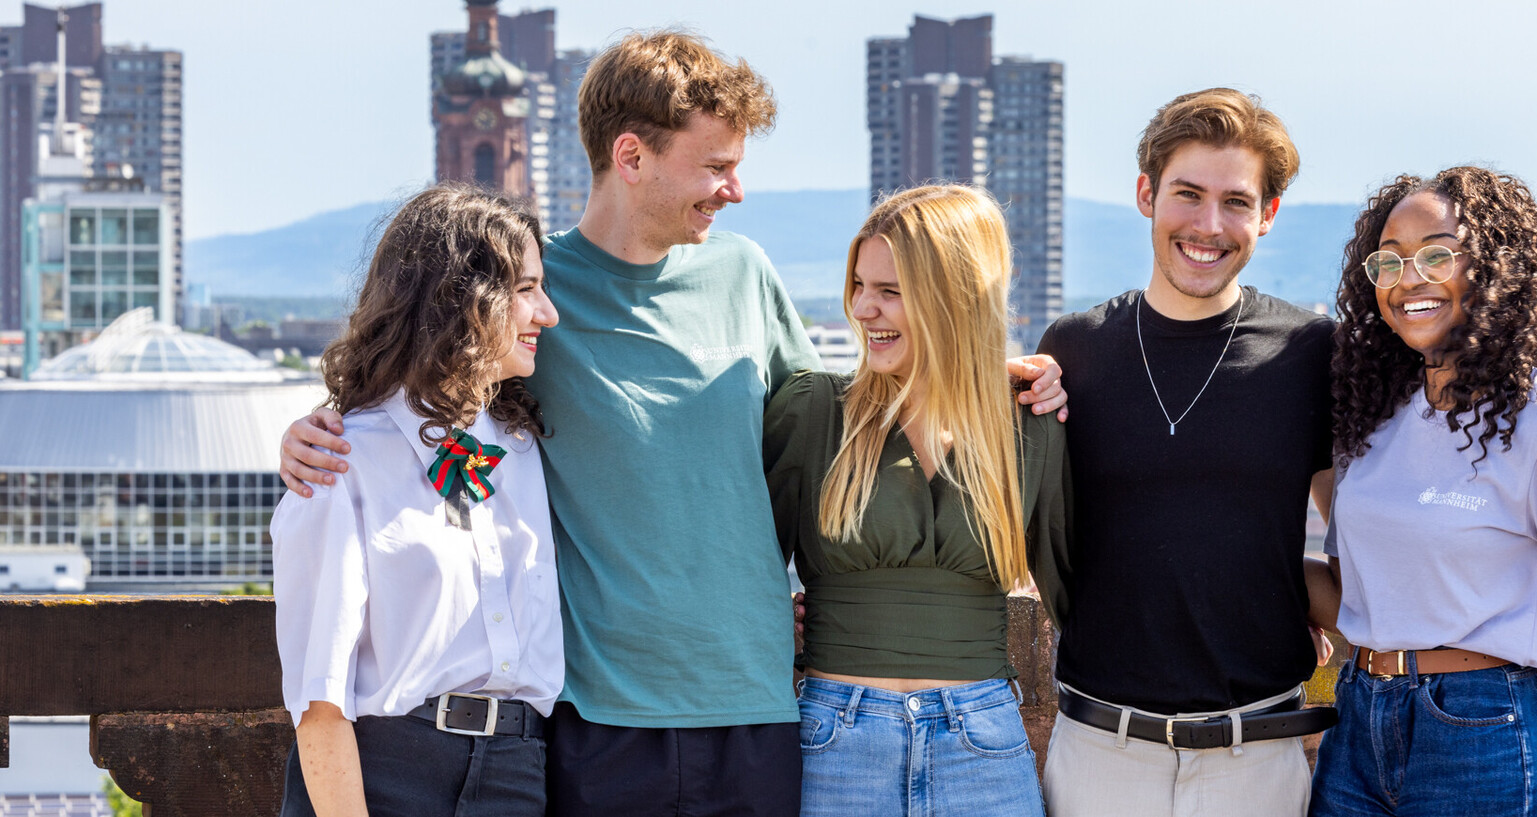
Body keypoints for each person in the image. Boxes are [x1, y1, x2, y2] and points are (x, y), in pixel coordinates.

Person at [277, 31, 1067, 817]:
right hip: (600, 721)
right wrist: (318, 429)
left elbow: (852, 415)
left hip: (758, 711)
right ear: (631, 156)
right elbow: (433, 392)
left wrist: (986, 376)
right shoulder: (535, 298)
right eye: (716, 166)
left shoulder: (745, 273)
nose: (734, 190)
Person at [1033, 88, 1339, 817]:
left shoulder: (1310, 353)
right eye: (1188, 194)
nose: (1209, 225)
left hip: (1258, 755)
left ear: (1267, 214)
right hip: (1100, 751)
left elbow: (1360, 545)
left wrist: (1278, 586)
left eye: (1236, 202)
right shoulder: (1073, 350)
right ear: (1147, 195)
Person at [1308, 166, 1537, 817]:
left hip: (1486, 734)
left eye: (1436, 256)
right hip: (1358, 729)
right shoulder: (1369, 423)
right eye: (1389, 261)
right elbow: (1363, 592)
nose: (1409, 279)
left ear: (1494, 270)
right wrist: (1255, 578)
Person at [763, 184, 1066, 816]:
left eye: (890, 291)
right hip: (835, 743)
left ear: (955, 298)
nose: (863, 309)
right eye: (858, 286)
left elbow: (1078, 594)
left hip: (984, 744)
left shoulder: (1029, 424)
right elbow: (744, 571)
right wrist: (774, 620)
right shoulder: (814, 410)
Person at [273, 183, 560, 816]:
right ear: (462, 298)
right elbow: (320, 701)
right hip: (388, 775)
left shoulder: (519, 446)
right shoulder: (341, 461)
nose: (548, 313)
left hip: (519, 773)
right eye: (525, 290)